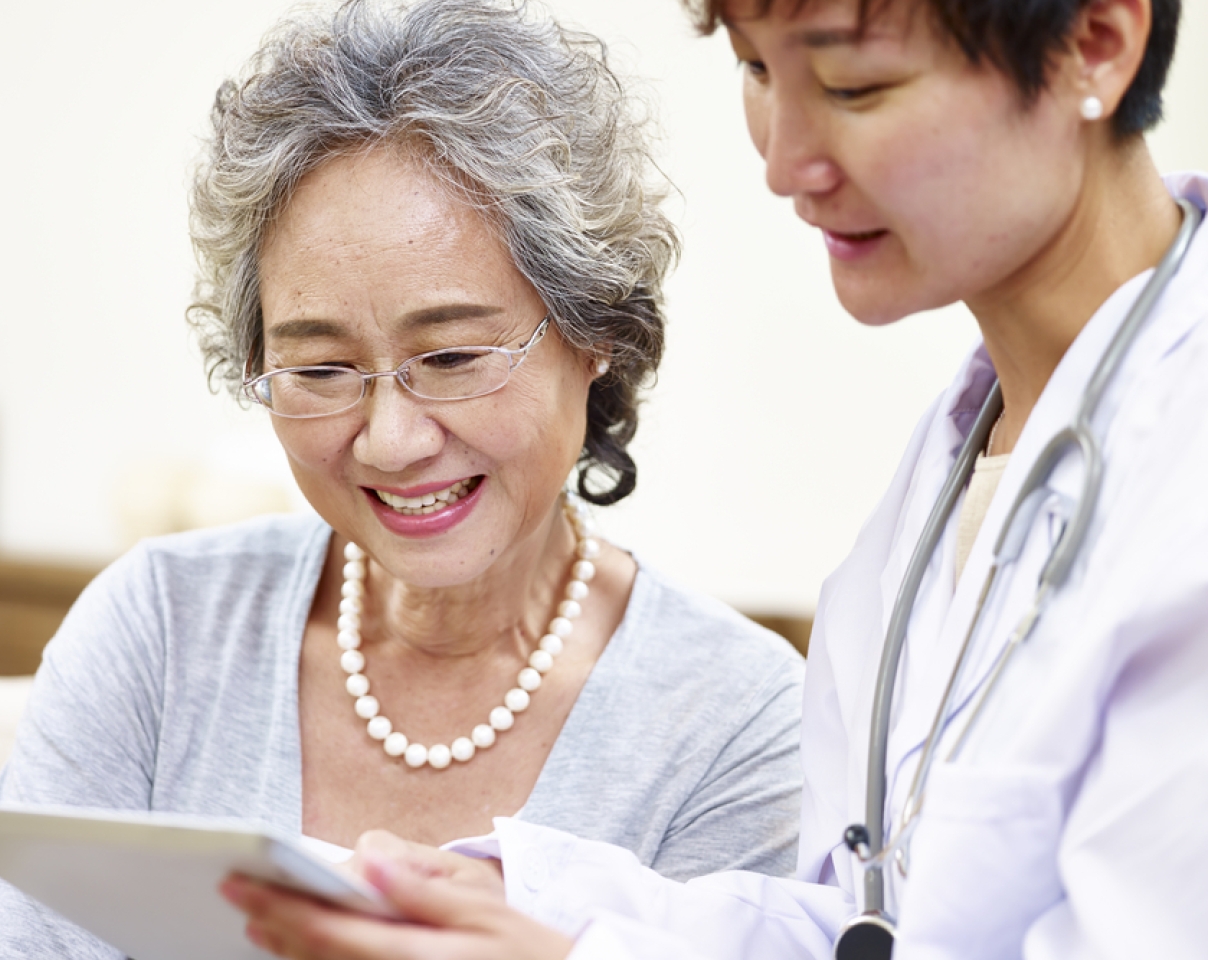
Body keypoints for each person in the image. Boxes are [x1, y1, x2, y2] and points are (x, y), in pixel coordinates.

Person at [222, 0, 1208, 957]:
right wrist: (540, 904)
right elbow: (884, 932)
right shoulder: (961, 467)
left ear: (1095, 43)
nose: (785, 164)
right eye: (757, 70)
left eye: (854, 85)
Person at [0, 1, 809, 956]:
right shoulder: (160, 632)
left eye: (452, 356)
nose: (390, 442)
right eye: (319, 370)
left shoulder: (735, 720)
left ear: (594, 329)